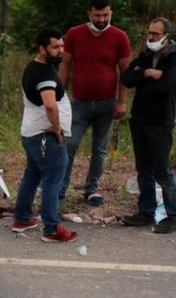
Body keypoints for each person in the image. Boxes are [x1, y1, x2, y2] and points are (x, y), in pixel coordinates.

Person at [58, 0, 132, 206]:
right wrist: (59, 95)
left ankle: (92, 189)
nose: (101, 20)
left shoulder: (119, 37)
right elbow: (65, 65)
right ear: (89, 13)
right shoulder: (74, 34)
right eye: (97, 15)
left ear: (111, 13)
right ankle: (60, 189)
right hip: (79, 103)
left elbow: (125, 73)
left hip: (106, 103)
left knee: (100, 149)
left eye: (105, 15)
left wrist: (122, 102)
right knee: (69, 145)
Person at [13, 27, 79, 243]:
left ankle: (22, 218)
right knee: (53, 179)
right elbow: (50, 105)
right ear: (42, 49)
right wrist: (57, 128)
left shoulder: (34, 67)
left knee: (32, 175)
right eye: (55, 47)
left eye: (62, 45)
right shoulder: (44, 74)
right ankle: (51, 228)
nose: (61, 50)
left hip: (32, 134)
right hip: (45, 137)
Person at [119, 17, 176, 234]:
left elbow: (167, 86)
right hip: (140, 119)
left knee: (163, 171)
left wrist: (141, 80)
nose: (150, 37)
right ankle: (146, 211)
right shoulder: (146, 54)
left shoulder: (173, 57)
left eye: (155, 34)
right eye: (149, 33)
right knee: (144, 170)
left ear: (166, 36)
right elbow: (126, 78)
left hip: (161, 121)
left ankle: (172, 215)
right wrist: (146, 73)